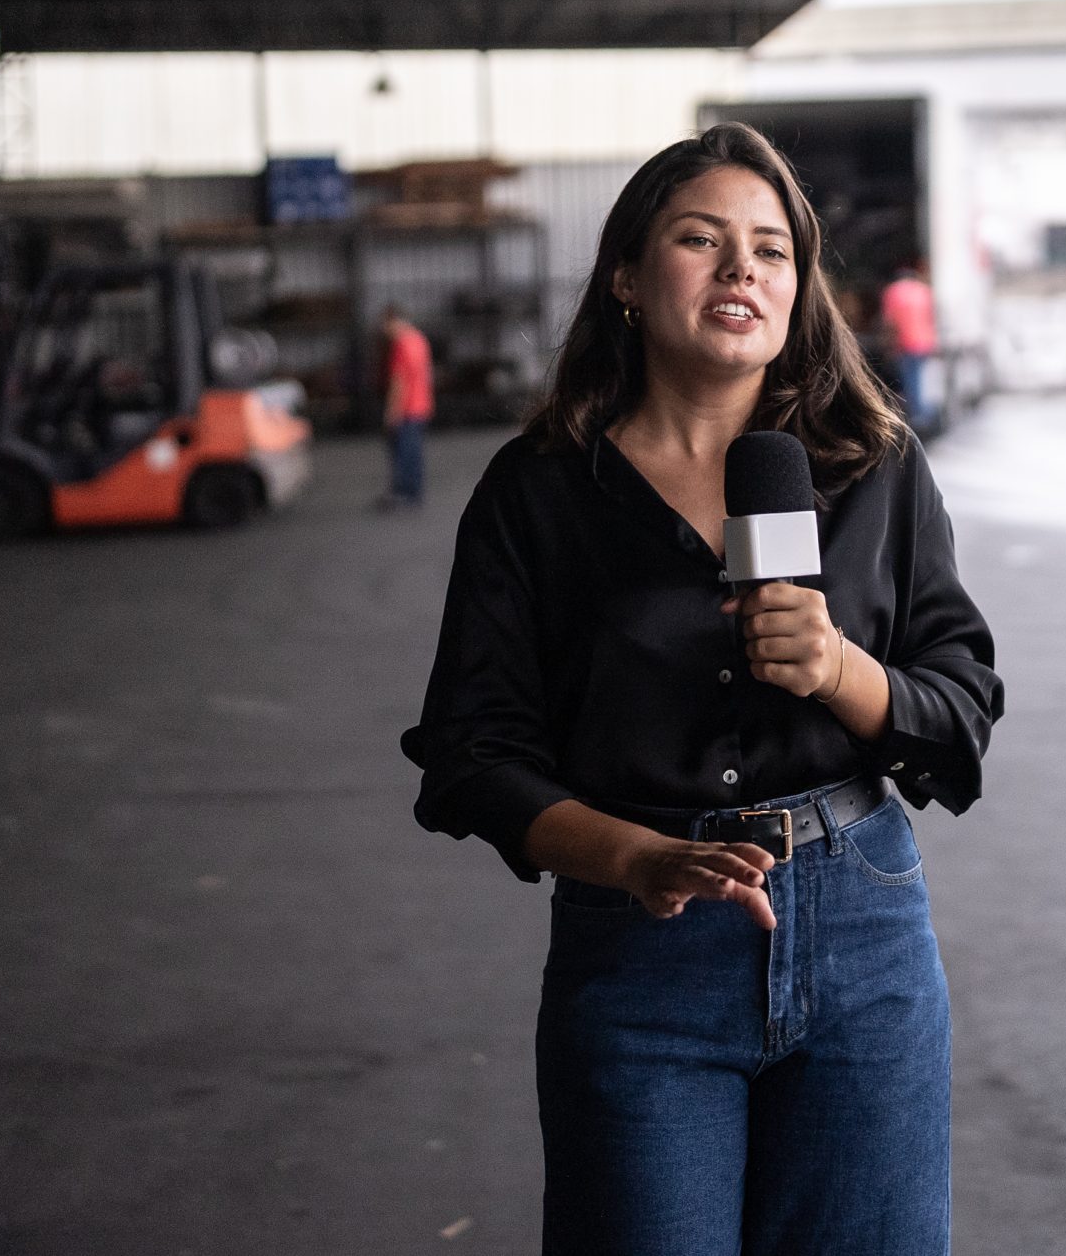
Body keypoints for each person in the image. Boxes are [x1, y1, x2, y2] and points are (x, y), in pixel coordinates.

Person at [405, 122, 1003, 1256]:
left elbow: (960, 708)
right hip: (642, 947)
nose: (743, 269)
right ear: (627, 279)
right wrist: (634, 858)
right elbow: (471, 751)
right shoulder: (538, 491)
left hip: (862, 925)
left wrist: (838, 670)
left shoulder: (873, 467)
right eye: (701, 239)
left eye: (772, 250)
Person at [378, 304, 432, 508]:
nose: (384, 329)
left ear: (394, 320)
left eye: (385, 323)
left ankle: (402, 493)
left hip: (406, 408)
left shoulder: (401, 344)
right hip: (421, 404)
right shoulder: (420, 340)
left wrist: (391, 412)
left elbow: (398, 381)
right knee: (414, 452)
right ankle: (414, 491)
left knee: (402, 452)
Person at [879, 260, 941, 430]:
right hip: (926, 342)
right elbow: (932, 317)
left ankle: (918, 416)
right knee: (922, 378)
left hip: (906, 343)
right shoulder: (924, 291)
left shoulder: (893, 291)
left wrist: (888, 345)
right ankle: (925, 413)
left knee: (910, 379)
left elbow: (889, 322)